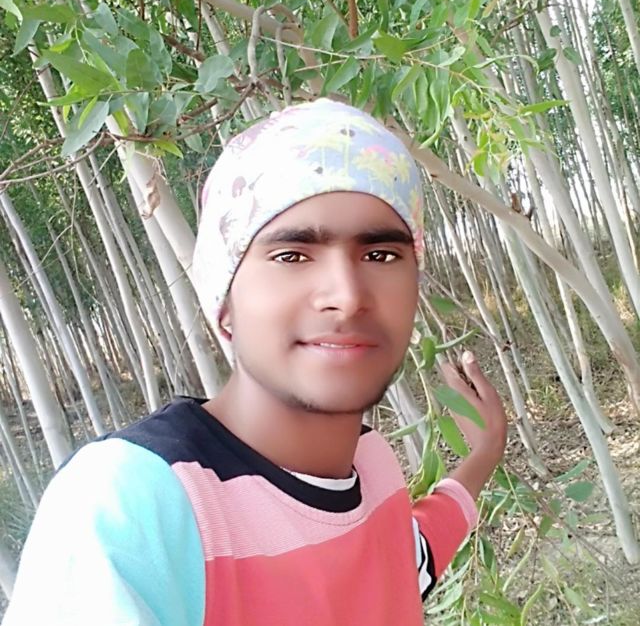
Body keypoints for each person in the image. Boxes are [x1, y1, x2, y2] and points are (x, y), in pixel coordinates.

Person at [3, 99, 507, 626]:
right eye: (292, 256)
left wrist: (484, 451)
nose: (347, 295)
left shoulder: (372, 464)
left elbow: (403, 565)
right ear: (224, 302)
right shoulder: (135, 503)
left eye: (380, 255)